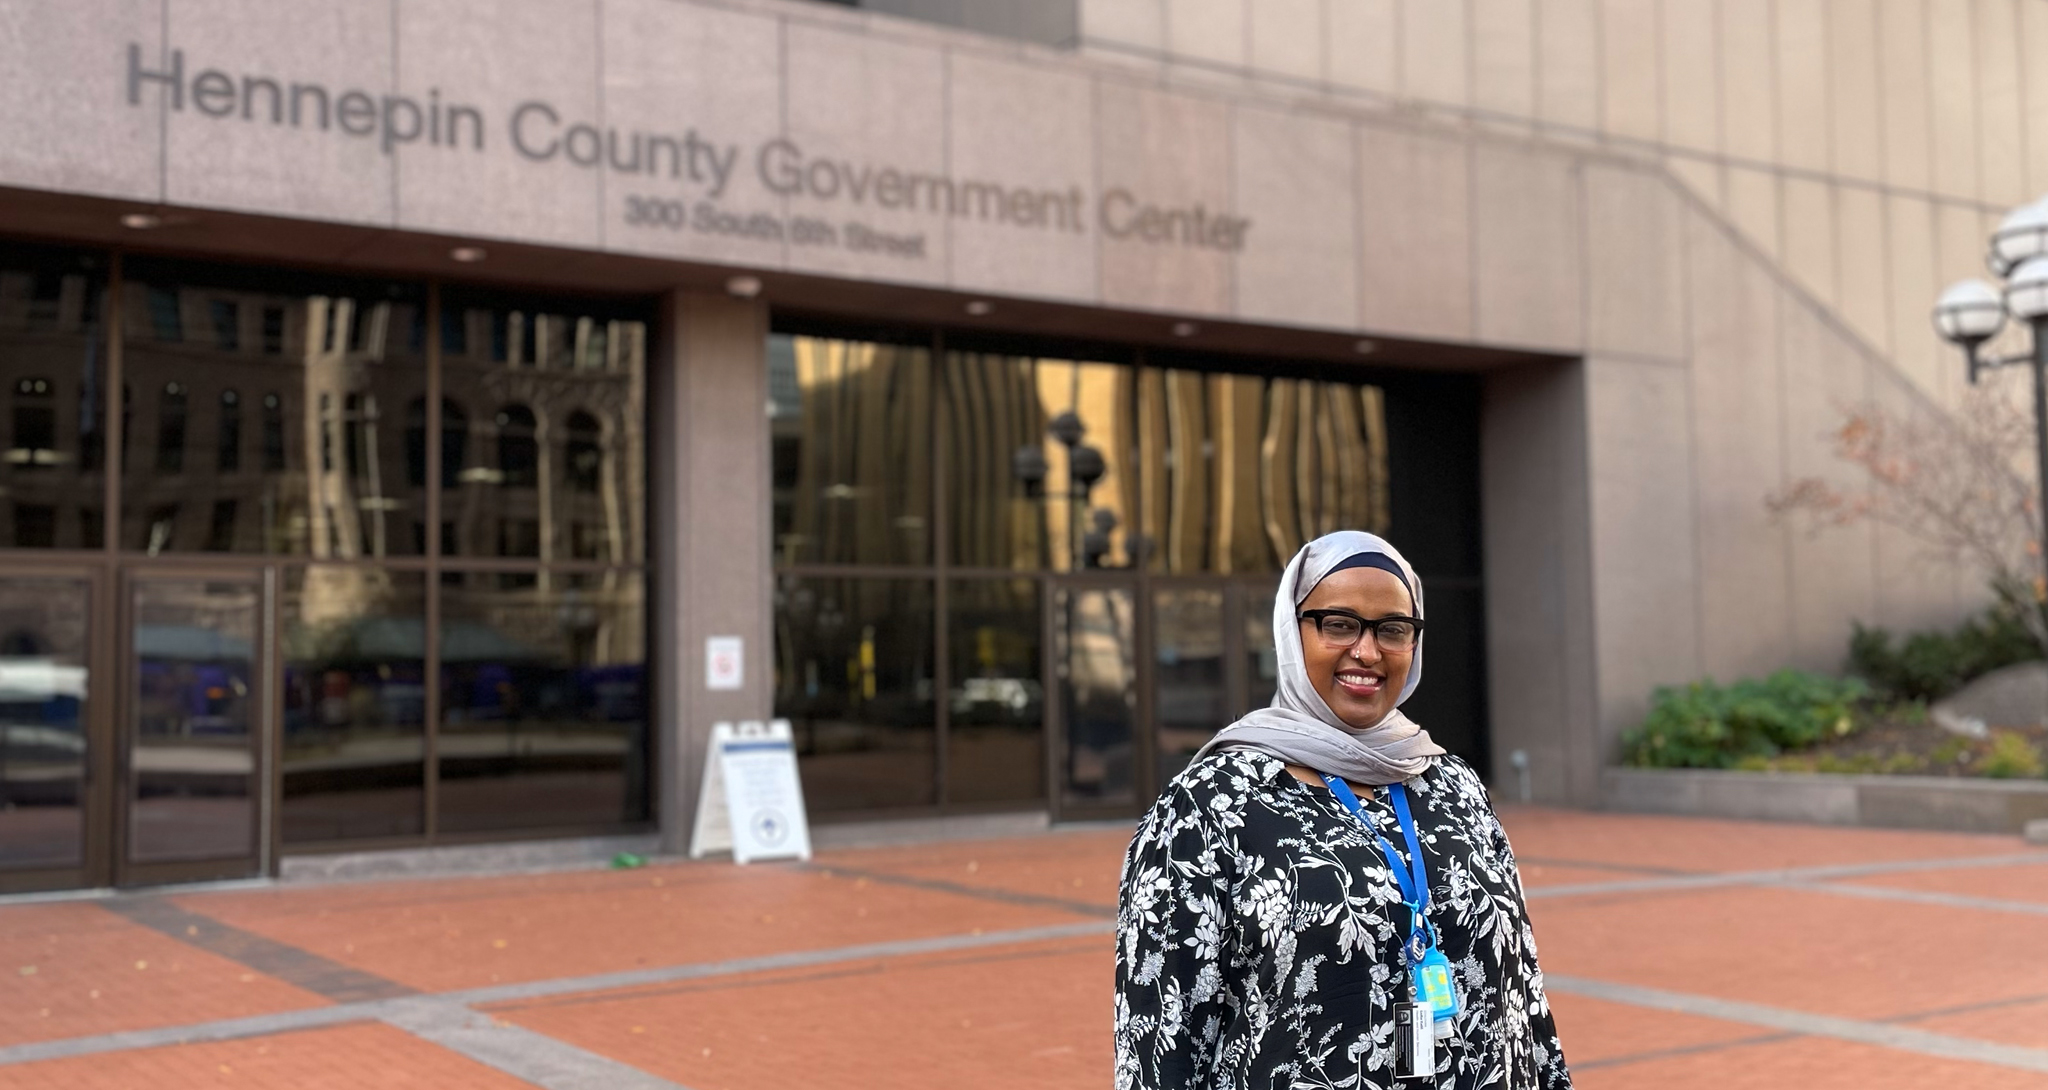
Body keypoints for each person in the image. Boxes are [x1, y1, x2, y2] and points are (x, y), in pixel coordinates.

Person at [1113, 531, 1572, 1089]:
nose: (1368, 652)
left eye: (1393, 629)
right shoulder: (1207, 807)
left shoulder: (1454, 786)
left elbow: (1525, 997)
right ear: (1292, 631)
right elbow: (1160, 1043)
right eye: (1338, 624)